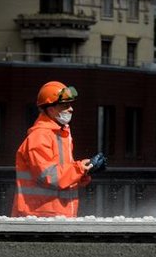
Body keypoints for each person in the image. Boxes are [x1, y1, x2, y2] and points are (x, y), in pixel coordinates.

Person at [11, 80, 106, 217]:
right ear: (51, 109)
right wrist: (79, 169)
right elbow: (49, 176)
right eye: (65, 105)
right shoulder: (40, 136)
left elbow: (61, 173)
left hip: (52, 215)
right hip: (39, 218)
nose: (71, 109)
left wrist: (84, 172)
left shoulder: (61, 135)